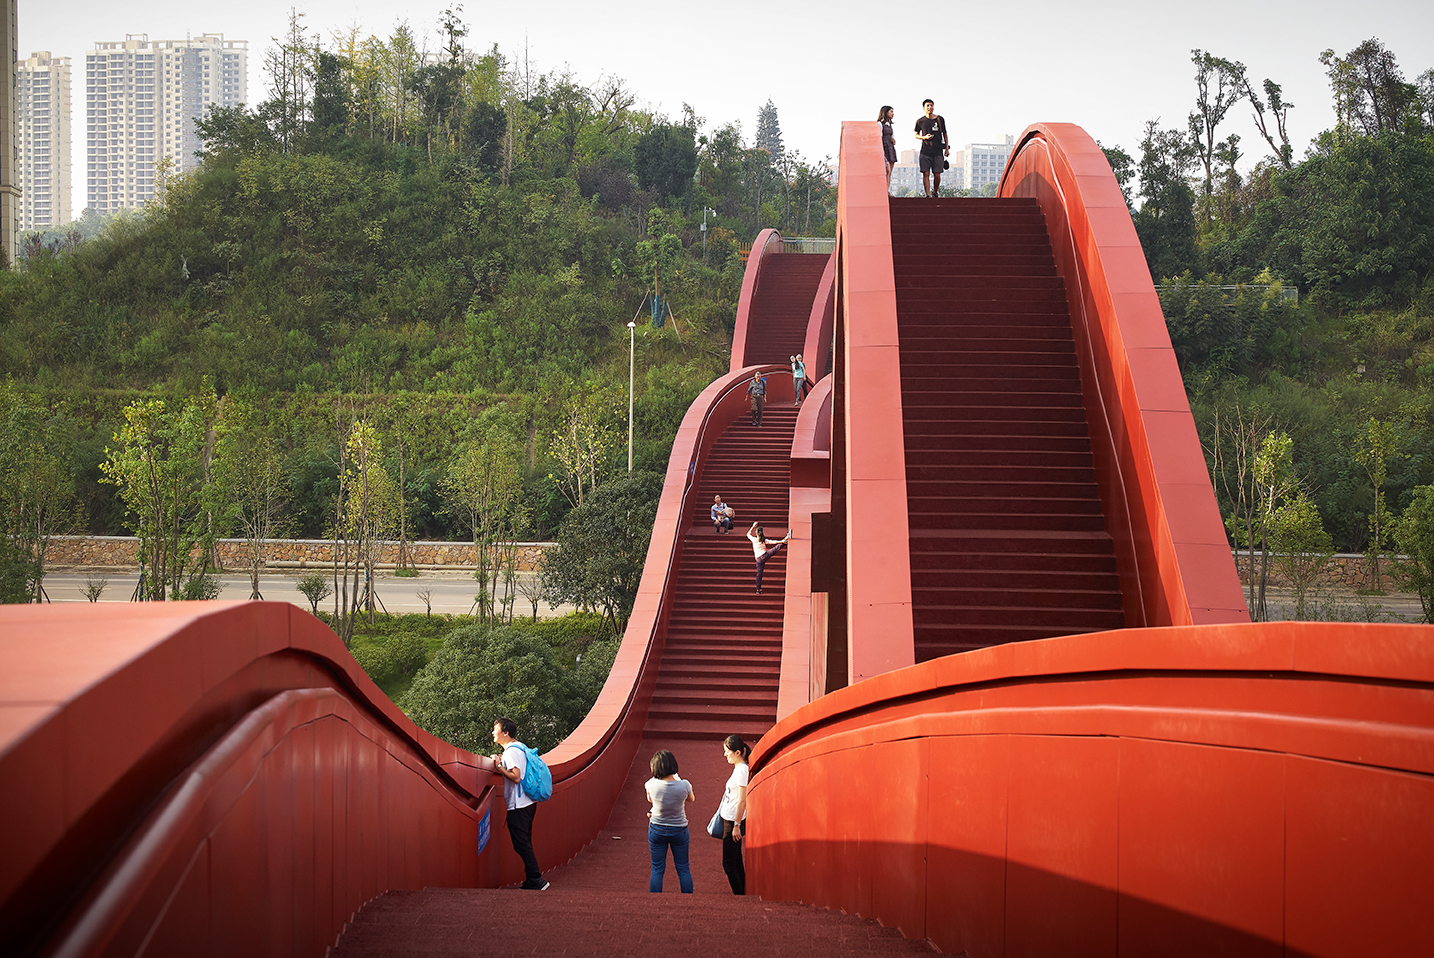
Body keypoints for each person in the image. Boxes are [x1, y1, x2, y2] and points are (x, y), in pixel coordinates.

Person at [492, 717, 550, 890]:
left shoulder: (511, 752)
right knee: (525, 841)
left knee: (521, 843)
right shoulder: (520, 747)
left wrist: (498, 767)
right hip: (528, 802)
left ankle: (536, 878)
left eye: (495, 729)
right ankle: (531, 879)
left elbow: (516, 777)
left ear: (505, 732)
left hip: (519, 805)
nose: (493, 733)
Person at [645, 749, 696, 893]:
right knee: (683, 868)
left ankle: (655, 901)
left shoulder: (650, 784)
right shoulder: (684, 785)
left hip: (657, 828)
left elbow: (651, 800)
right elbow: (691, 799)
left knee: (657, 869)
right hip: (679, 829)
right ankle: (688, 899)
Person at [718, 734, 751, 895]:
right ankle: (742, 892)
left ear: (737, 752)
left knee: (729, 863)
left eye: (727, 751)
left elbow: (742, 801)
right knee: (736, 860)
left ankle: (739, 895)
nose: (725, 755)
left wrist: (737, 825)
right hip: (730, 819)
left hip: (733, 821)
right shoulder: (739, 769)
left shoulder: (742, 771)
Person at [914, 99, 950, 198]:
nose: (930, 107)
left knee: (937, 174)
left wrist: (946, 148)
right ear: (924, 108)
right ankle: (928, 195)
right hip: (925, 151)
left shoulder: (939, 119)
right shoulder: (920, 121)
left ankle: (935, 192)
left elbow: (945, 133)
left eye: (931, 105)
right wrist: (924, 137)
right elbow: (916, 134)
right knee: (926, 173)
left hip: (938, 151)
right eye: (928, 106)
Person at [747, 521, 791, 595]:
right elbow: (773, 542)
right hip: (763, 555)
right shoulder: (763, 540)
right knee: (775, 549)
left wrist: (753, 526)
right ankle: (785, 539)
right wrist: (781, 541)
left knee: (759, 574)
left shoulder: (754, 539)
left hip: (758, 559)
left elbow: (748, 534)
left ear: (756, 533)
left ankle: (758, 589)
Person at [878, 105, 897, 191]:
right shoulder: (880, 124)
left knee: (889, 172)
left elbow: (892, 136)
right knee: (887, 170)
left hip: (890, 147)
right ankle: (883, 190)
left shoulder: (889, 125)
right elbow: (879, 137)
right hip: (884, 148)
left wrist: (893, 140)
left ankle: (887, 190)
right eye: (891, 111)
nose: (893, 114)